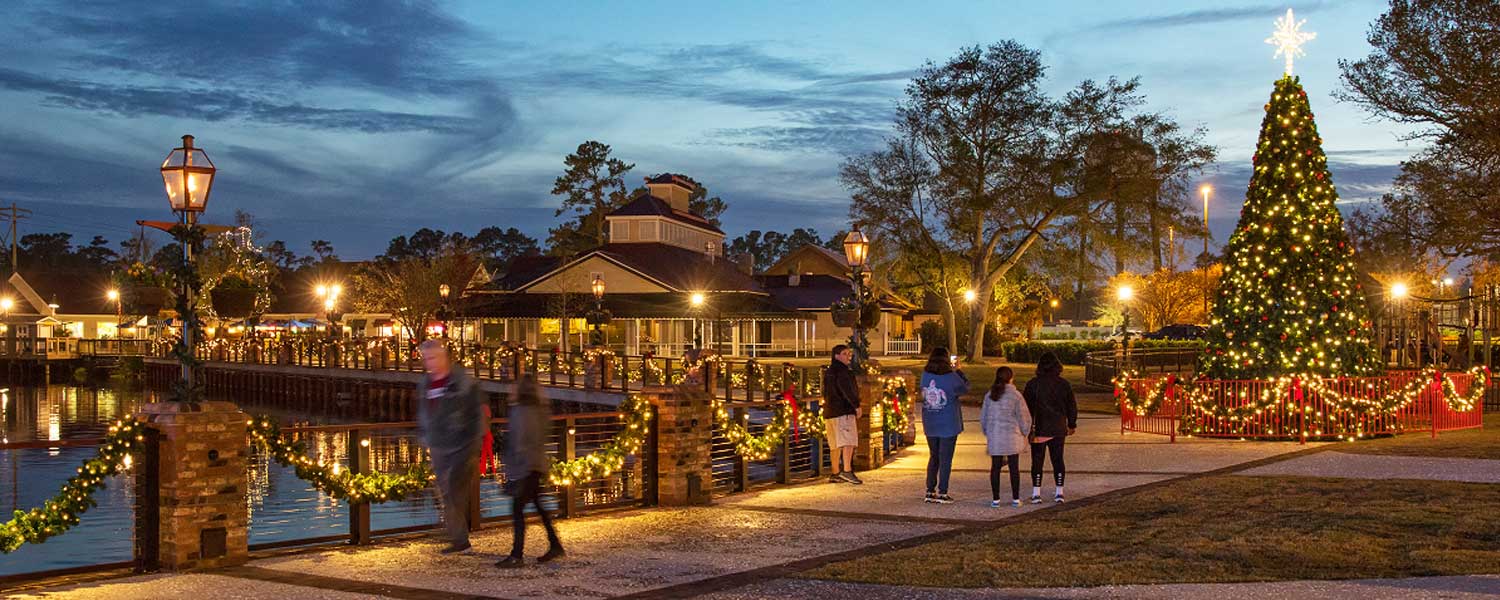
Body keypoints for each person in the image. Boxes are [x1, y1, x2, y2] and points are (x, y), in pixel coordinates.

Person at [416, 339, 485, 554]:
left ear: (444, 357)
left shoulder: (463, 382)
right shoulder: (425, 383)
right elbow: (425, 411)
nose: (429, 363)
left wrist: (473, 440)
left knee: (454, 491)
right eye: (426, 359)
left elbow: (477, 412)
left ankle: (459, 538)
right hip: (439, 445)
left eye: (433, 358)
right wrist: (426, 435)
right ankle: (459, 539)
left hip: (462, 445)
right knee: (446, 493)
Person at [496, 375, 565, 568]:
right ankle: (555, 545)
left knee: (517, 510)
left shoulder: (520, 412)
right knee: (539, 506)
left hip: (525, 467)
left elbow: (519, 442)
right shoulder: (541, 410)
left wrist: (513, 469)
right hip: (537, 465)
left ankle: (517, 555)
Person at [1024, 351, 1077, 504]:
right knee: (1058, 459)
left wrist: (1025, 427)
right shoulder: (1064, 384)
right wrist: (1071, 423)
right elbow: (1071, 406)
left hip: (1039, 427)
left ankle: (1036, 492)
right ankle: (1059, 491)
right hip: (1058, 427)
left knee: (1037, 460)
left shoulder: (1033, 384)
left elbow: (1026, 407)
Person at [919, 347, 967, 504]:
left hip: (931, 421)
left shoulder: (925, 375)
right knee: (945, 458)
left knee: (934, 456)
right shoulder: (951, 377)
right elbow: (965, 388)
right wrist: (958, 371)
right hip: (948, 422)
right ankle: (943, 491)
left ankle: (929, 490)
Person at [980, 366, 1031, 508]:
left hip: (995, 436)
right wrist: (1025, 432)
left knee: (995, 467)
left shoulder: (990, 395)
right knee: (1014, 468)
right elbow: (1024, 416)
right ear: (1011, 378)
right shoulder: (1016, 395)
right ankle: (1015, 498)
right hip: (1012, 437)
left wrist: (987, 432)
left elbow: (983, 417)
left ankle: (996, 499)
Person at [821, 344, 863, 484]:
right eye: (845, 354)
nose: (848, 356)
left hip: (830, 412)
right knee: (848, 441)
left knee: (835, 444)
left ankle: (835, 472)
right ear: (836, 356)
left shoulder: (829, 372)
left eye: (849, 354)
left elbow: (825, 392)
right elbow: (847, 390)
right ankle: (847, 470)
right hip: (842, 412)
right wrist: (856, 406)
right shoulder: (843, 372)